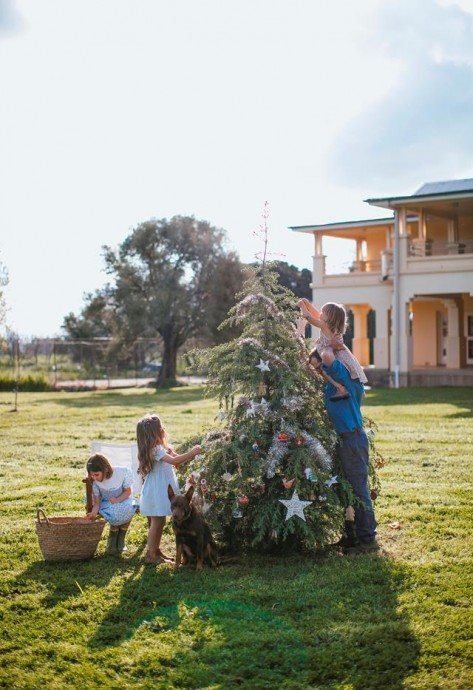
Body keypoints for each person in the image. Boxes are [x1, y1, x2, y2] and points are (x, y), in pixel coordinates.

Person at [309, 347, 378, 553]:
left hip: (353, 440)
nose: (319, 371)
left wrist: (324, 333)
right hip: (342, 441)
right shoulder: (330, 387)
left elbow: (329, 355)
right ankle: (350, 535)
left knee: (358, 489)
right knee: (345, 489)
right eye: (315, 369)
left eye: (320, 366)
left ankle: (368, 540)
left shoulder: (344, 379)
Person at [136, 413, 202, 565]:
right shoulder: (155, 449)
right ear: (155, 433)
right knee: (157, 522)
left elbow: (175, 459)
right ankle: (151, 555)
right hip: (158, 491)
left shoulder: (159, 448)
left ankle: (157, 552)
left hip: (161, 489)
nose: (163, 429)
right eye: (161, 428)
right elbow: (174, 460)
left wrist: (183, 458)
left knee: (160, 520)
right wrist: (192, 452)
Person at [298, 298, 368, 398]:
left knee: (326, 372)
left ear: (329, 317)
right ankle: (355, 389)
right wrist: (308, 305)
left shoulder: (325, 325)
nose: (320, 313)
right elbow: (317, 314)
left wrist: (302, 305)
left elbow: (308, 317)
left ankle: (340, 388)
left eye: (323, 312)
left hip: (331, 355)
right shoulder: (331, 325)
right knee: (345, 372)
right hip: (339, 355)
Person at [85, 453, 138, 555]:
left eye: (96, 474)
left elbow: (128, 491)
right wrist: (93, 513)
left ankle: (121, 538)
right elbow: (97, 503)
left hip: (123, 498)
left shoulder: (122, 473)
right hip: (106, 502)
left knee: (129, 507)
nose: (94, 477)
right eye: (92, 475)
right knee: (114, 511)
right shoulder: (95, 483)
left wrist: (118, 500)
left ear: (105, 469)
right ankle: (113, 538)